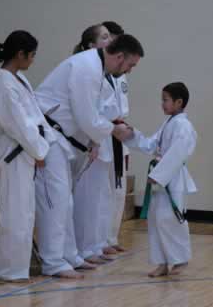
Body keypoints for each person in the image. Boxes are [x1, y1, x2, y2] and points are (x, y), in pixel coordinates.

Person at [34, 33, 143, 278]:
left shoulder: (96, 68)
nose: (130, 70)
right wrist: (112, 129)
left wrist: (95, 139)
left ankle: (70, 255)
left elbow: (90, 114)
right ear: (119, 57)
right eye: (131, 65)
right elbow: (86, 116)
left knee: (66, 202)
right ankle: (53, 262)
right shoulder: (86, 68)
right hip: (48, 137)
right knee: (57, 201)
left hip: (62, 138)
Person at [0, 30, 56, 282]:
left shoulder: (19, 79)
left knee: (25, 214)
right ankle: (10, 271)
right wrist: (39, 150)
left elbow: (36, 115)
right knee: (14, 214)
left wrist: (47, 143)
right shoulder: (4, 85)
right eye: (32, 55)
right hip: (14, 153)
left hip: (26, 150)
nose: (33, 60)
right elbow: (19, 124)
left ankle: (19, 269)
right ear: (20, 54)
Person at [125, 82, 197, 277]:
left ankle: (180, 260)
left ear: (179, 102)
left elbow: (177, 153)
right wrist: (132, 135)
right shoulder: (169, 123)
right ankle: (162, 262)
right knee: (156, 219)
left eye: (165, 100)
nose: (162, 104)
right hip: (161, 178)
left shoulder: (183, 125)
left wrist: (158, 176)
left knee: (170, 218)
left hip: (173, 178)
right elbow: (151, 144)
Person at [71, 23, 120, 264]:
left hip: (103, 135)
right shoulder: (85, 69)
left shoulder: (104, 71)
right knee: (87, 197)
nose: (110, 40)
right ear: (91, 45)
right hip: (88, 139)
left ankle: (96, 245)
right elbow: (87, 111)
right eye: (104, 37)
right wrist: (94, 139)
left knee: (100, 197)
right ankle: (84, 249)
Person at [101, 21, 131, 254]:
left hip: (119, 131)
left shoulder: (120, 74)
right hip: (102, 132)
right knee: (102, 190)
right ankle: (99, 240)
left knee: (118, 189)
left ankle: (111, 237)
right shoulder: (96, 70)